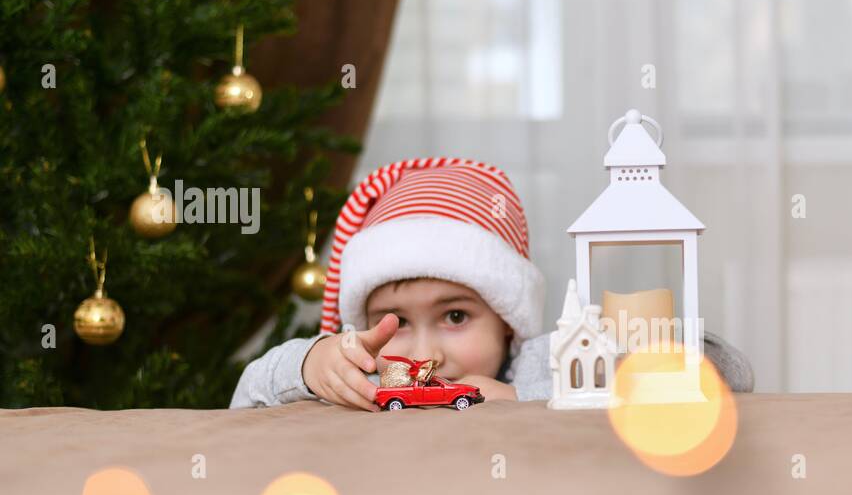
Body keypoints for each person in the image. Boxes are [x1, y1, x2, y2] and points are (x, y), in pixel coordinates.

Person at [229, 157, 753, 410]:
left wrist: (524, 399)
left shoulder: (543, 363)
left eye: (455, 316)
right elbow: (245, 399)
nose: (427, 352)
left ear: (508, 324)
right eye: (396, 323)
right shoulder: (362, 379)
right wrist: (314, 363)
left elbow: (725, 370)